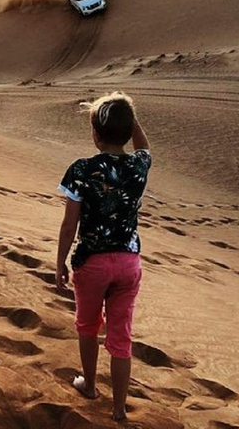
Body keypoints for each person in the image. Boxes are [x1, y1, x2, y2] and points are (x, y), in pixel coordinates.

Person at [55, 91, 151, 421]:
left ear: (95, 134)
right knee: (121, 335)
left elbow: (70, 225)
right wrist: (128, 117)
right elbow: (144, 146)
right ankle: (119, 408)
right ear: (127, 131)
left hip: (92, 262)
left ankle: (91, 385)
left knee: (87, 326)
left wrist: (59, 263)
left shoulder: (82, 169)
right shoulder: (139, 166)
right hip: (128, 262)